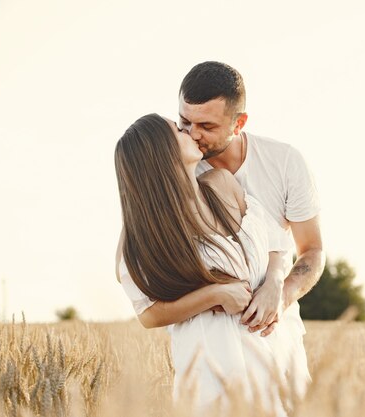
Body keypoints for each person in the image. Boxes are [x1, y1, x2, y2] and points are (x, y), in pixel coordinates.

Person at [115, 113, 310, 415]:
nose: (191, 134)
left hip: (270, 347)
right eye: (179, 130)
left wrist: (274, 284)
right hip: (213, 365)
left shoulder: (222, 184)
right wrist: (216, 295)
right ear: (160, 154)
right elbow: (148, 314)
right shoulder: (150, 235)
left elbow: (277, 245)